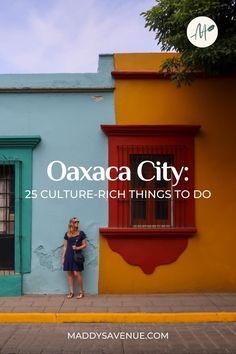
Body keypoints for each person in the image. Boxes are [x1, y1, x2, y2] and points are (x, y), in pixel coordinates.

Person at [61, 217, 87, 299]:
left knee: (76, 273)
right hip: (68, 255)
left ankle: (81, 292)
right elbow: (65, 247)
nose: (77, 223)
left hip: (76, 256)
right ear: (71, 223)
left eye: (78, 222)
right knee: (70, 274)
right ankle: (71, 292)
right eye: (75, 222)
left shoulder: (81, 233)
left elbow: (85, 245)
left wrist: (77, 248)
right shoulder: (67, 234)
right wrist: (63, 257)